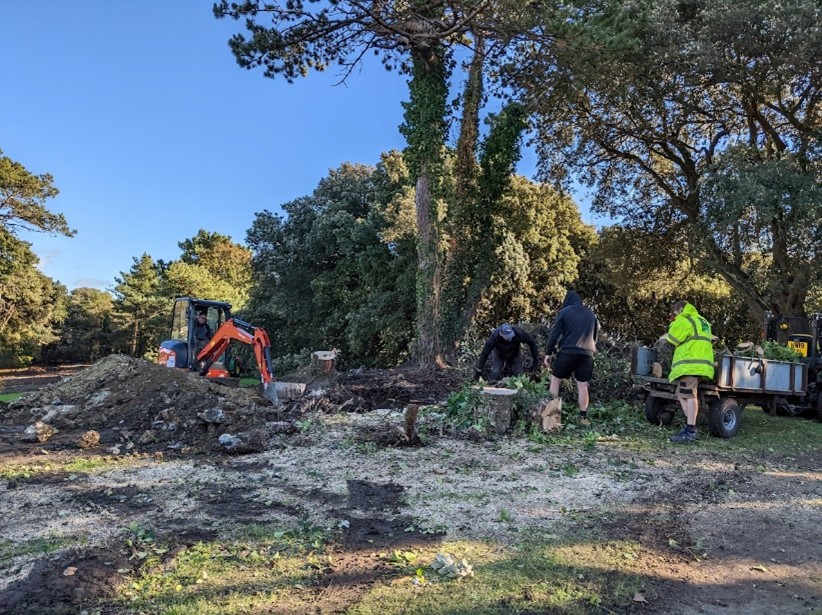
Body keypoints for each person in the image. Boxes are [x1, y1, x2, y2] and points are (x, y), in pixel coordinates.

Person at [659, 300, 715, 443]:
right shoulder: (702, 320)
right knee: (681, 393)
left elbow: (672, 339)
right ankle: (690, 423)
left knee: (688, 395)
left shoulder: (685, 320)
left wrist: (673, 324)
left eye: (676, 312)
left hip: (690, 364)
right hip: (701, 364)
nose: (675, 315)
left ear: (681, 309)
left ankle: (690, 430)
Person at [542, 290, 598, 426]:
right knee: (583, 385)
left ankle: (553, 415)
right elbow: (594, 336)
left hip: (568, 351)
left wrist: (548, 353)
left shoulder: (565, 312)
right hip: (587, 354)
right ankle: (583, 418)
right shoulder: (591, 314)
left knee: (555, 379)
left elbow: (554, 333)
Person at [473, 323, 540, 382]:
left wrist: (535, 361)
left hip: (515, 353)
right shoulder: (494, 337)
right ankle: (492, 389)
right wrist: (479, 371)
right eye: (507, 337)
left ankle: (520, 393)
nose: (510, 338)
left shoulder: (518, 332)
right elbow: (485, 354)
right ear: (501, 334)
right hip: (499, 354)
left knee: (520, 375)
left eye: (511, 335)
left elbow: (531, 342)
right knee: (495, 372)